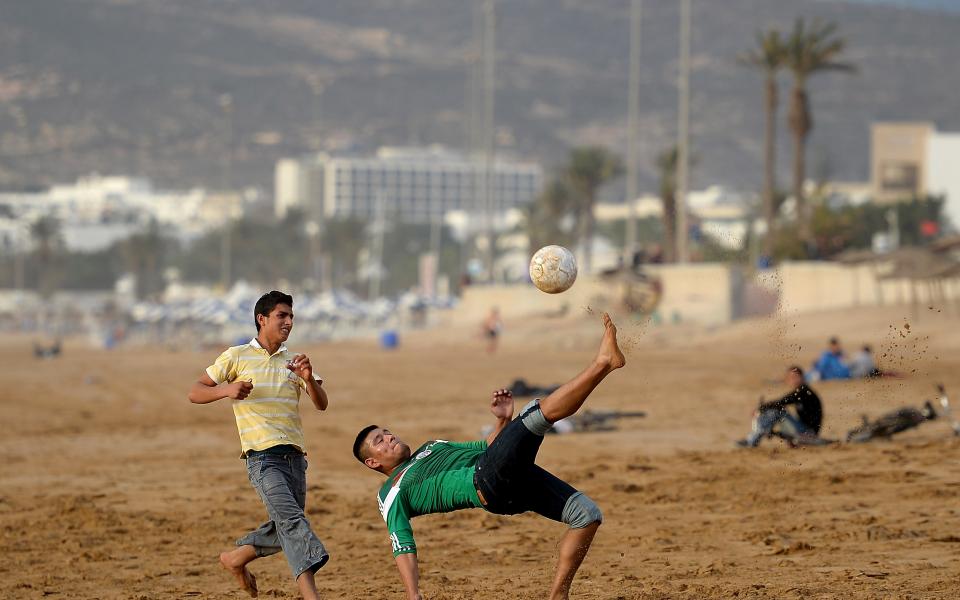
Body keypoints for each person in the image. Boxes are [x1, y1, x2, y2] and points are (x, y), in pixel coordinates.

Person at [353, 313, 626, 600]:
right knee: (535, 413)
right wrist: (413, 594)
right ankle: (604, 362)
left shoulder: (430, 448)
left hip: (502, 479)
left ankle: (558, 595)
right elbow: (402, 544)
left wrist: (503, 421)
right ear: (373, 462)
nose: (389, 437)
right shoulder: (391, 493)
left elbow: (488, 447)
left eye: (387, 431)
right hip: (486, 482)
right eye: (379, 441)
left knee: (586, 515)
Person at [187, 291, 330, 599]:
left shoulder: (295, 361)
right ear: (261, 319)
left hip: (295, 457)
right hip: (262, 458)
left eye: (291, 317)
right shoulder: (236, 356)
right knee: (293, 523)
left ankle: (235, 558)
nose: (289, 322)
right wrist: (227, 391)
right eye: (282, 316)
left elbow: (321, 404)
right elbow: (196, 391)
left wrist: (308, 378)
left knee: (285, 525)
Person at [737, 365, 826, 448]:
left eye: (795, 377)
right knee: (777, 410)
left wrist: (760, 408)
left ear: (802, 377)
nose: (792, 380)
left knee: (778, 411)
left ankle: (751, 441)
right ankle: (760, 435)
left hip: (808, 433)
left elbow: (781, 402)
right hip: (804, 430)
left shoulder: (804, 392)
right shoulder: (802, 391)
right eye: (790, 378)